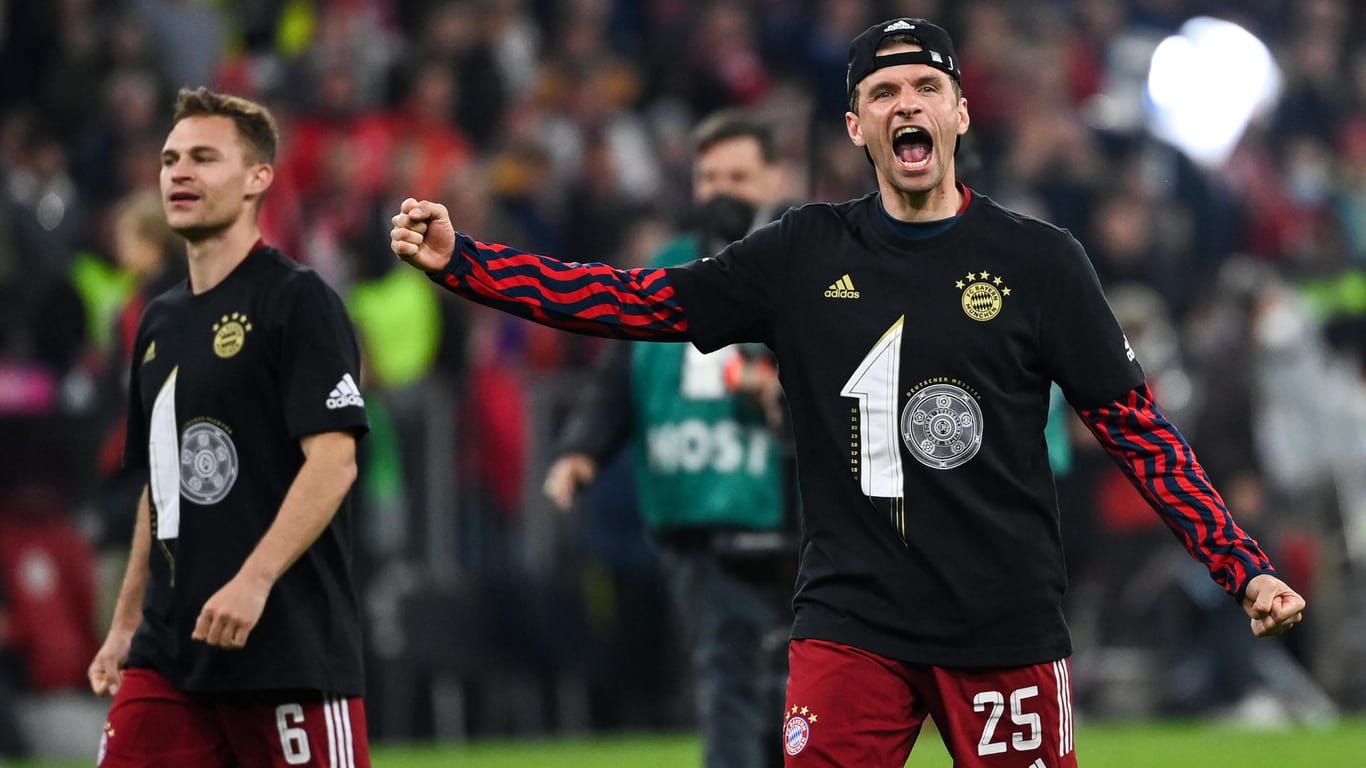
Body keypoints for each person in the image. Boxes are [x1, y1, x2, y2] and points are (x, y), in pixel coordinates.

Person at [390, 18, 1306, 768]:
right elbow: (634, 301)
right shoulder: (801, 252)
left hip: (1005, 621)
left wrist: (1240, 564)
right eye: (881, 93)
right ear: (857, 129)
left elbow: (1137, 431)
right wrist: (466, 262)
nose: (903, 104)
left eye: (923, 89)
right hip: (852, 620)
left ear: (956, 115)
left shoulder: (1040, 262)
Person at [87, 87, 372, 767]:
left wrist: (253, 579)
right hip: (169, 655)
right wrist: (127, 619)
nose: (179, 173)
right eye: (170, 159)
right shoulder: (156, 322)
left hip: (283, 647)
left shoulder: (298, 301)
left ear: (256, 180)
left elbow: (334, 462)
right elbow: (162, 484)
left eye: (204, 158)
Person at [543, 110, 797, 768]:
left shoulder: (804, 262)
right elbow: (619, 371)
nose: (721, 189)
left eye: (738, 175)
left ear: (774, 177)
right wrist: (581, 451)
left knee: (770, 682)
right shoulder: (668, 264)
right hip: (695, 507)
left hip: (791, 509)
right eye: (709, 175)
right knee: (734, 673)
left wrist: (780, 386)